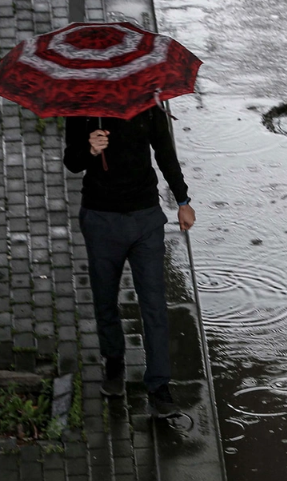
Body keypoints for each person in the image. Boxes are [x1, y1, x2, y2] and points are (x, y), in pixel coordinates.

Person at [64, 106, 196, 418]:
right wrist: (89, 148)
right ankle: (113, 361)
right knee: (105, 299)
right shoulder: (83, 111)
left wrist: (183, 201)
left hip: (146, 219)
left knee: (154, 303)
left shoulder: (150, 108)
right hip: (100, 219)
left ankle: (159, 386)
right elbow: (72, 162)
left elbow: (166, 155)